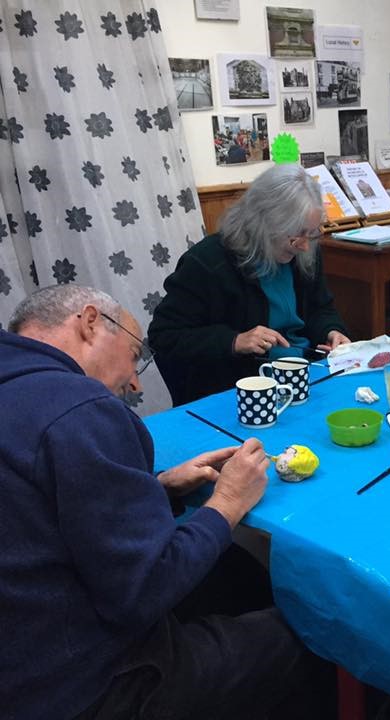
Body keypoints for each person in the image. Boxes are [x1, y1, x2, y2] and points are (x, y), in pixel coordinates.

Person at [0, 285, 329, 719]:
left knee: (235, 571)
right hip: (82, 689)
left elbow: (40, 516)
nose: (135, 382)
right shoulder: (80, 409)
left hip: (25, 652)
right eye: (136, 355)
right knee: (322, 634)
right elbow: (144, 590)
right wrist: (229, 501)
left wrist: (156, 489)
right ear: (90, 322)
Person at [149, 163, 351, 406]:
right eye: (296, 236)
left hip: (306, 375)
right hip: (246, 392)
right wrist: (234, 341)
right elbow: (164, 337)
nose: (306, 246)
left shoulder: (303, 251)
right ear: (262, 224)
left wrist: (332, 331)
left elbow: (321, 308)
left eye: (312, 234)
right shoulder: (207, 264)